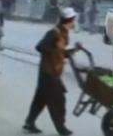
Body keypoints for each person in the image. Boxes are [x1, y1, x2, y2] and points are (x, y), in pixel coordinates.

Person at [23, 7, 82, 136]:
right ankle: (61, 128)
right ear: (69, 20)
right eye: (73, 20)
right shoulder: (53, 33)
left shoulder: (64, 34)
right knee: (58, 100)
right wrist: (54, 52)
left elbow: (62, 53)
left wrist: (74, 49)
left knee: (41, 99)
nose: (74, 23)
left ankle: (29, 122)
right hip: (48, 73)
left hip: (53, 72)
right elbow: (40, 47)